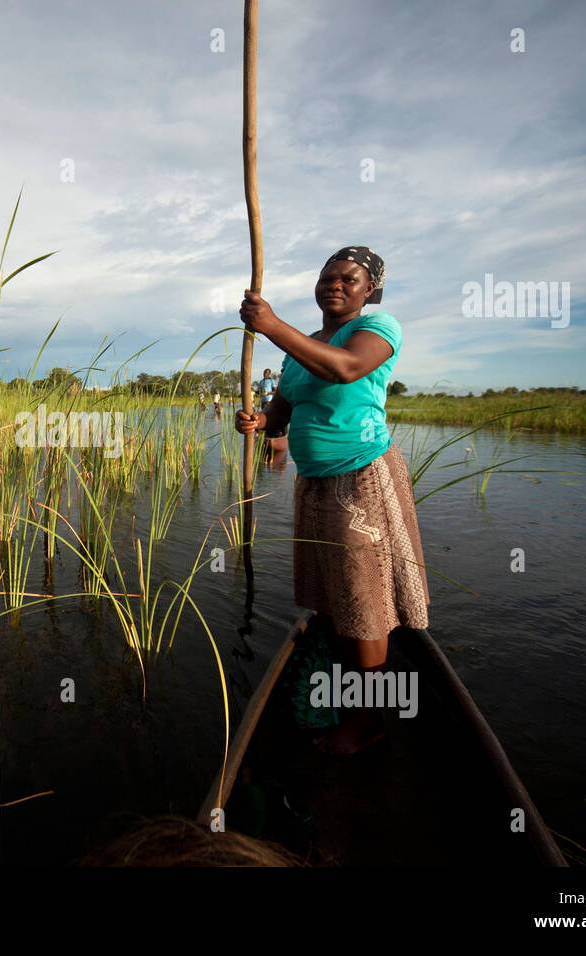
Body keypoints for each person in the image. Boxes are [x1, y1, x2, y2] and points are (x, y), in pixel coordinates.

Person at [236, 246, 429, 755]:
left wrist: (272, 325)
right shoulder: (301, 347)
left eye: (350, 278)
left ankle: (369, 721)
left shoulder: (378, 329)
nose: (336, 284)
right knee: (336, 598)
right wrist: (258, 423)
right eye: (328, 276)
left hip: (360, 478)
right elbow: (281, 415)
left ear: (370, 291)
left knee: (363, 602)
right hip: (315, 483)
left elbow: (345, 369)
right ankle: (352, 694)